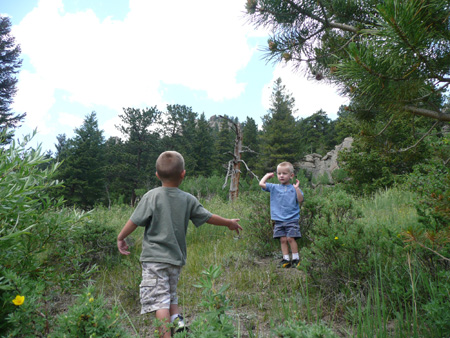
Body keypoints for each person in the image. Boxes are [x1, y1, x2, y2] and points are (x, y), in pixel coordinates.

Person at [117, 151, 242, 338]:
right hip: (175, 260)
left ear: (157, 175)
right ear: (183, 174)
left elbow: (134, 221)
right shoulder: (188, 199)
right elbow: (208, 217)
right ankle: (180, 323)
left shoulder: (151, 196)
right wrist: (229, 222)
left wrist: (121, 237)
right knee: (170, 296)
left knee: (160, 303)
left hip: (154, 260)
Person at [259, 161, 304, 269]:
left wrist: (297, 189)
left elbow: (300, 199)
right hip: (278, 219)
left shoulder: (294, 188)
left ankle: (296, 258)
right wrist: (266, 176)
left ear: (291, 175)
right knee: (283, 239)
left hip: (292, 219)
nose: (281, 176)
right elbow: (261, 184)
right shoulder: (274, 187)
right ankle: (286, 259)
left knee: (290, 239)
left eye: (284, 173)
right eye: (279, 173)